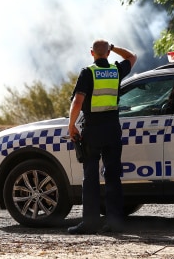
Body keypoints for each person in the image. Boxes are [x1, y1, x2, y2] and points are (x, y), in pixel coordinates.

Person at [67, 39, 137, 234]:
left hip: (93, 131)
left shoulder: (88, 72)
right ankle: (114, 222)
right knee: (113, 176)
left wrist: (71, 125)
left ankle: (90, 223)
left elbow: (78, 102)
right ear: (107, 53)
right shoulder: (116, 70)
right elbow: (132, 56)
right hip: (112, 129)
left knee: (90, 177)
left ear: (92, 53)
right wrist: (114, 48)